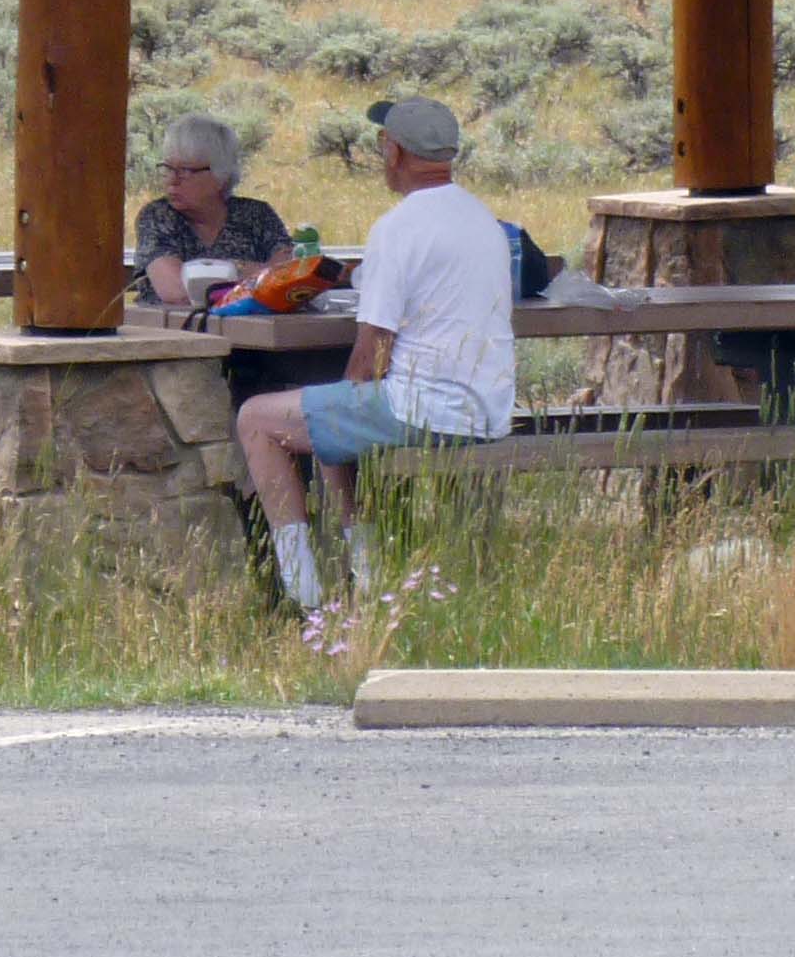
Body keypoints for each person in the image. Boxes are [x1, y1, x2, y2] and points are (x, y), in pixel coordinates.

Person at [233, 95, 513, 613]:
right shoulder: (482, 220)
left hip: (425, 407)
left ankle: (303, 594)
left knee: (258, 418)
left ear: (395, 152)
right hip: (486, 406)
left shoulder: (397, 228)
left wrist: (347, 388)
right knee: (332, 414)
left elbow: (372, 350)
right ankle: (365, 573)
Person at [134, 113, 292, 307]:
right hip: (173, 332)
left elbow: (288, 279)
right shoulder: (158, 216)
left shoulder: (257, 215)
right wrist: (250, 271)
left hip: (250, 331)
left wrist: (208, 274)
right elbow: (177, 291)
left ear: (221, 175)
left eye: (185, 170)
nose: (172, 180)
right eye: (168, 168)